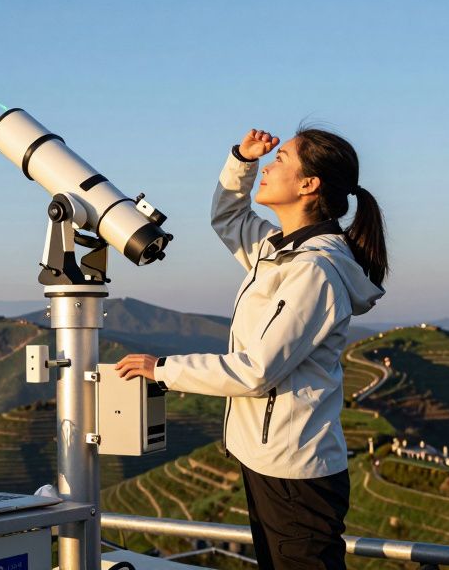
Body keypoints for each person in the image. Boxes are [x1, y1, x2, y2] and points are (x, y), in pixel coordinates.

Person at [115, 126, 388, 570]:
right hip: (269, 461)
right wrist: (242, 161)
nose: (268, 167)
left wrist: (162, 369)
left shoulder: (313, 271)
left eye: (280, 160)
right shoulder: (276, 250)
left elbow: (256, 369)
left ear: (309, 184)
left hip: (294, 472)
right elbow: (228, 218)